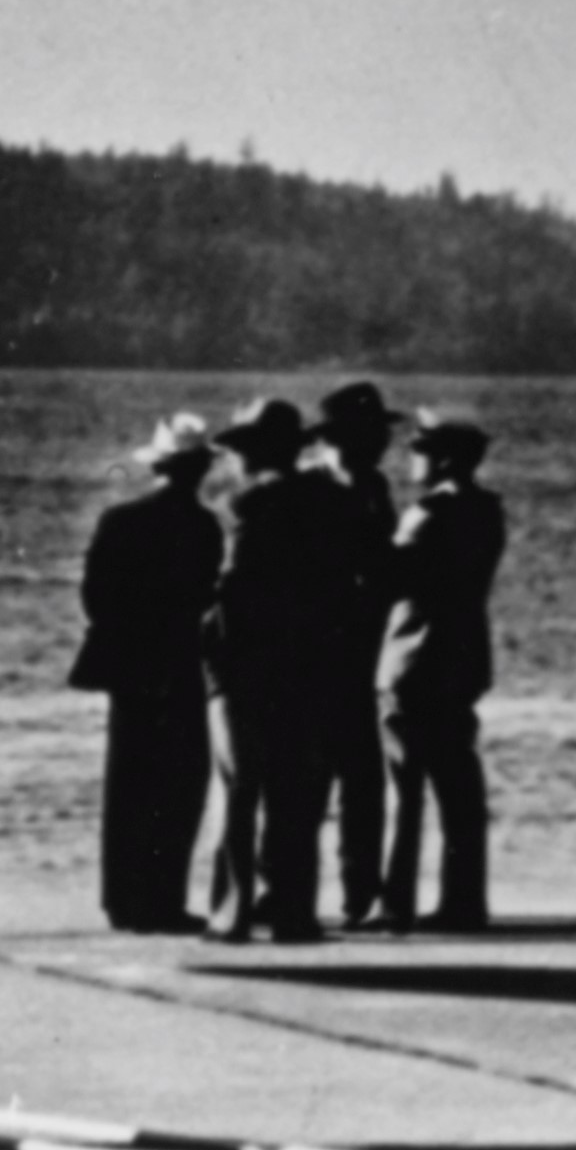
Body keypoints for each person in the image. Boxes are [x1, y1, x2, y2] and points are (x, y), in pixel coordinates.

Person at [73, 413, 226, 935]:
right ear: (199, 468)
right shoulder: (204, 525)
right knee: (179, 785)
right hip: (181, 662)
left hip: (130, 666)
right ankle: (162, 898)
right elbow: (207, 597)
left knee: (129, 783)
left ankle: (123, 900)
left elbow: (95, 596)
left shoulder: (121, 519)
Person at [204, 396, 345, 945]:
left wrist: (212, 651)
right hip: (311, 664)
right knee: (298, 796)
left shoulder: (249, 507)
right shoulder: (332, 503)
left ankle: (231, 912)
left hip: (247, 665)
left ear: (252, 454)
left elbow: (231, 592)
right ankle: (293, 911)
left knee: (238, 790)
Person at [374, 419, 506, 935]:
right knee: (459, 788)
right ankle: (464, 899)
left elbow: (390, 577)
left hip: (414, 656)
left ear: (445, 460)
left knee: (402, 788)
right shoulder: (487, 510)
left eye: (421, 452)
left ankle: (394, 901)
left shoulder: (427, 513)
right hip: (464, 656)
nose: (413, 460)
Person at [299, 381, 406, 927]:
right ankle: (290, 887)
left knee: (361, 780)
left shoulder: (372, 486)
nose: (385, 442)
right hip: (317, 653)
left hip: (359, 652)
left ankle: (359, 888)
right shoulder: (311, 490)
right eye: (377, 432)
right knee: (308, 779)